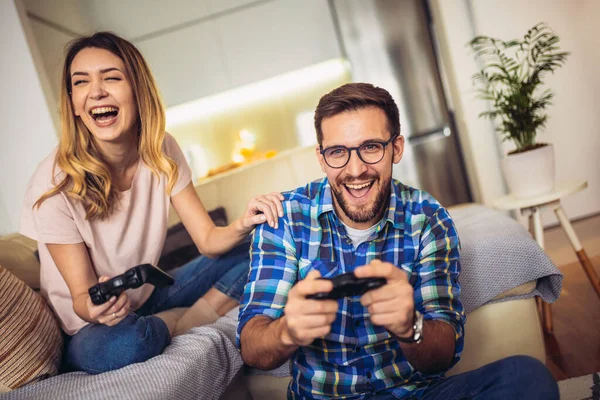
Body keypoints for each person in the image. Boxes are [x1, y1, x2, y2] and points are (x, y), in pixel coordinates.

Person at [237, 83, 559, 399]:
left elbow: (442, 355)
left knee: (526, 377)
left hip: (414, 394)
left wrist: (410, 325)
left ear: (397, 148)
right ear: (321, 158)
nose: (356, 169)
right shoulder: (285, 219)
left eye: (371, 147)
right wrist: (288, 330)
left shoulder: (428, 219)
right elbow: (253, 348)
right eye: (338, 152)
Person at [19, 31, 283, 374]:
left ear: (137, 89)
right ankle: (176, 323)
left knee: (268, 246)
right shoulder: (55, 182)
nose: (96, 91)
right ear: (73, 102)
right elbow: (83, 301)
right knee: (126, 345)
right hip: (94, 327)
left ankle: (183, 321)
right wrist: (100, 307)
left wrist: (244, 223)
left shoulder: (162, 149)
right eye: (81, 82)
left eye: (111, 78)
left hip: (149, 297)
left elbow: (208, 241)